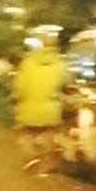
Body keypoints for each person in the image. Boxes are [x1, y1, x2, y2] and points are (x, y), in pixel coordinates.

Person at [10, 39, 68, 173]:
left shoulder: (28, 62)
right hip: (51, 107)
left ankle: (31, 159)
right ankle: (47, 164)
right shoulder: (60, 64)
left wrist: (16, 97)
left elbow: (20, 85)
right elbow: (65, 83)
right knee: (48, 136)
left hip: (29, 105)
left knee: (25, 134)